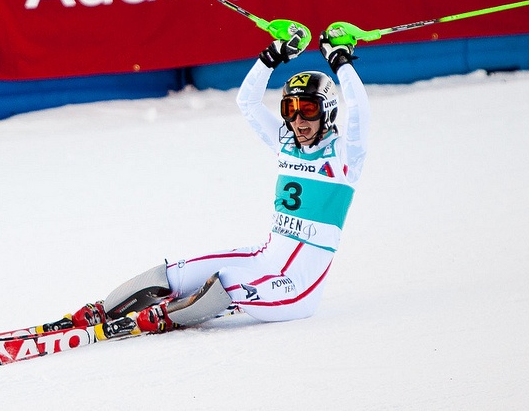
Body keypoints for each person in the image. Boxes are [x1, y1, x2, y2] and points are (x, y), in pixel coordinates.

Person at [56, 28, 370, 337]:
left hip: (299, 288)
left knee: (228, 280)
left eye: (309, 109)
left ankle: (162, 316)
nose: (298, 120)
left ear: (327, 110)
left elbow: (359, 111)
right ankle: (101, 310)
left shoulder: (344, 157)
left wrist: (341, 61)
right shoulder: (284, 141)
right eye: (291, 109)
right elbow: (247, 102)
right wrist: (273, 55)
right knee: (175, 273)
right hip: (264, 258)